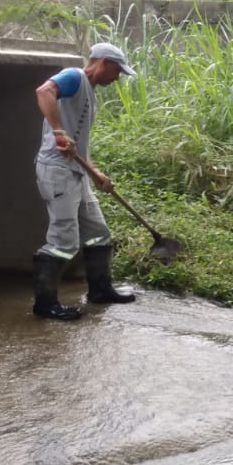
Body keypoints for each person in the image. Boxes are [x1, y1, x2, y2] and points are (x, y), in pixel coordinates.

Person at [32, 42, 137, 321]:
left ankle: (100, 290)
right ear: (103, 63)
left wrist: (95, 173)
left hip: (76, 172)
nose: (117, 78)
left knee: (98, 232)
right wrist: (57, 130)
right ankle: (45, 305)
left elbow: (77, 147)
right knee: (63, 240)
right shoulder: (74, 77)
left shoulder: (89, 92)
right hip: (57, 171)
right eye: (116, 71)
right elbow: (44, 91)